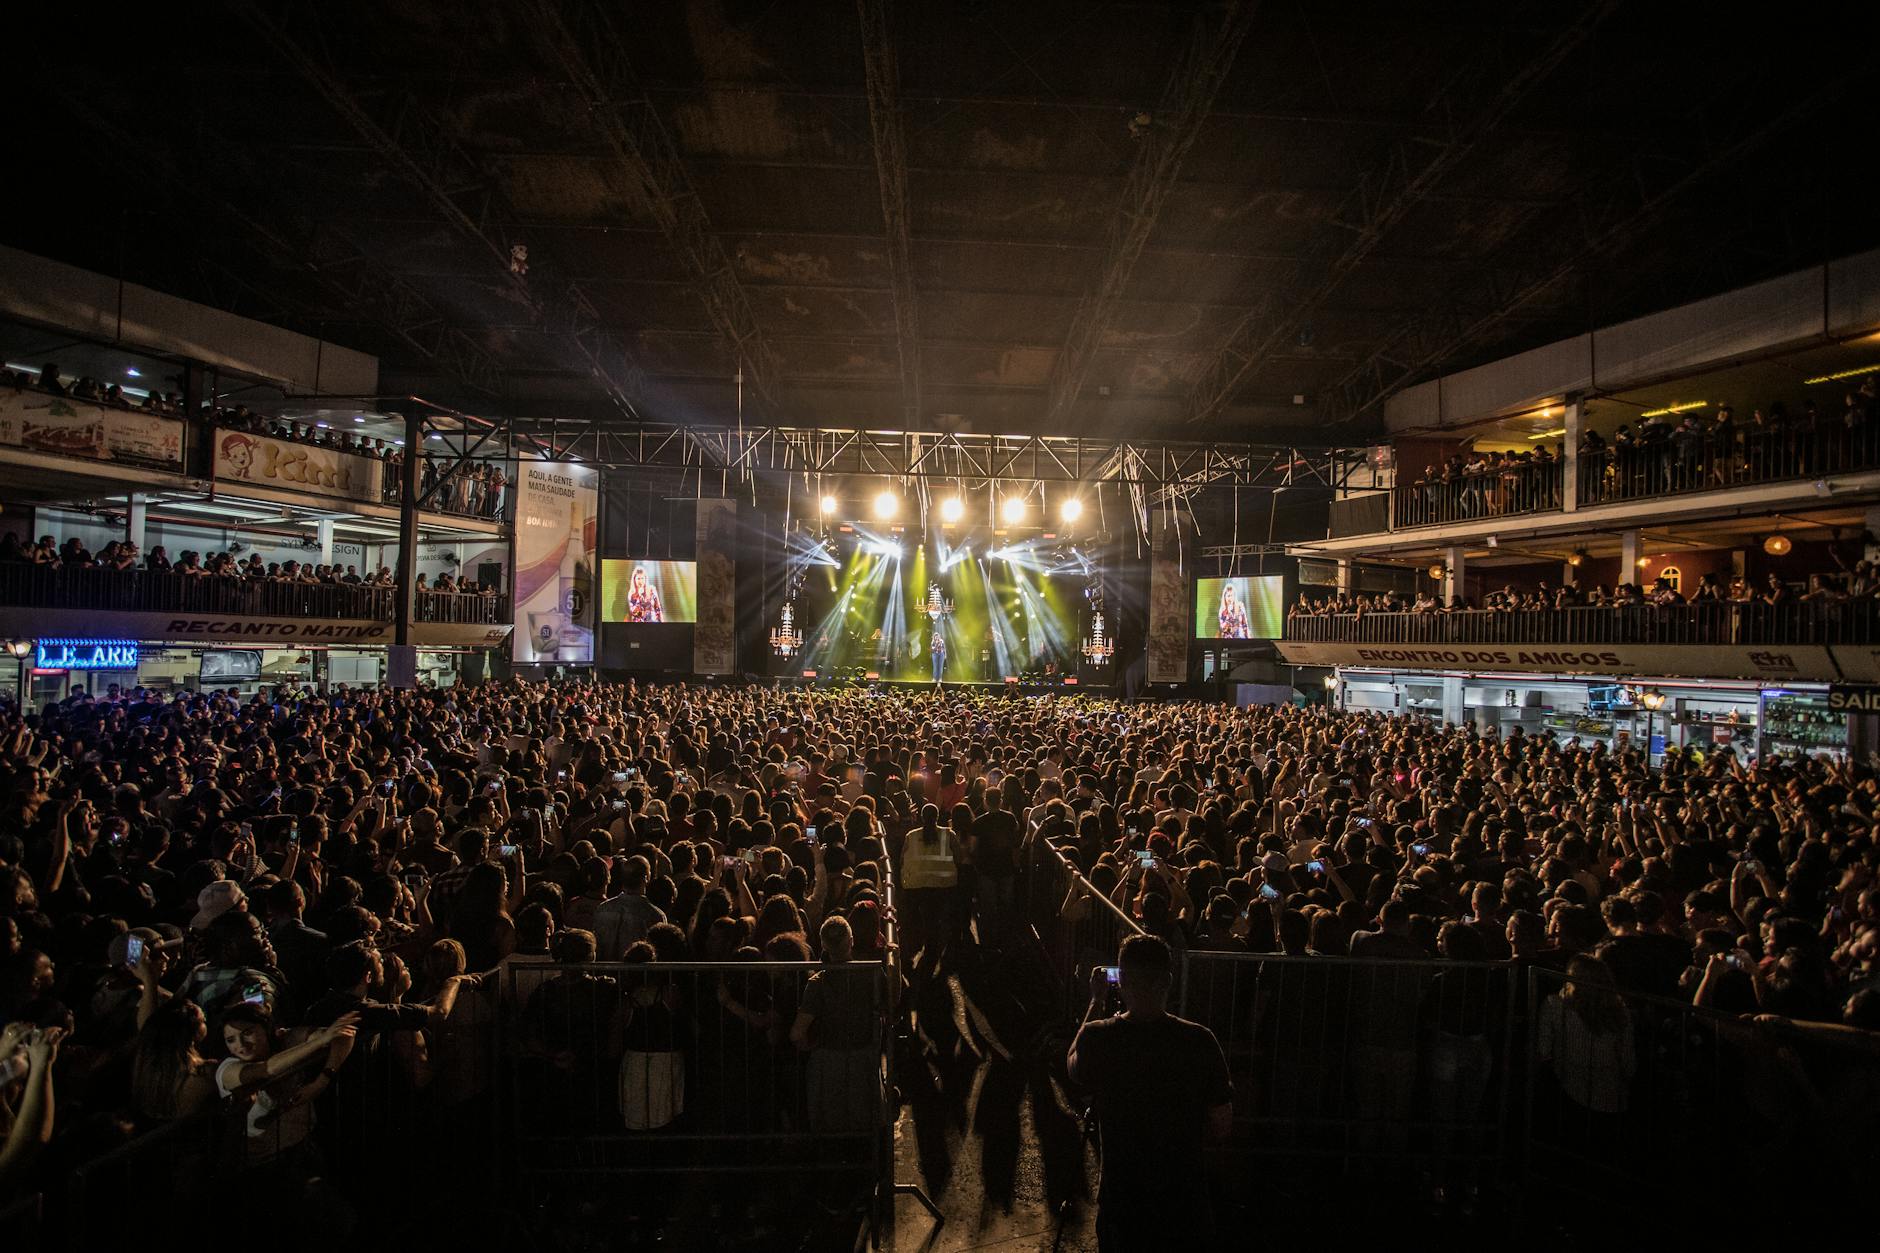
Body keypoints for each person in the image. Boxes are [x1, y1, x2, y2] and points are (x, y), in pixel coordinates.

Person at [1068, 935, 1233, 1250]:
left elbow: (1074, 1066)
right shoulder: (1200, 1041)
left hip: (1122, 1200)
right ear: (1168, 980)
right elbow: (1222, 1124)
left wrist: (1095, 1002)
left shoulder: (1099, 1037)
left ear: (1121, 980)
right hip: (1184, 1201)